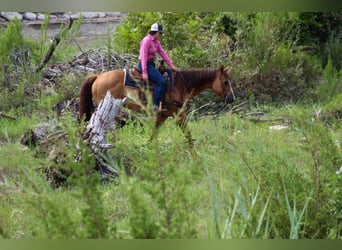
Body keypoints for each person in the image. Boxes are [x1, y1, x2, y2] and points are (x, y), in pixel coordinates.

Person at [137, 23, 177, 111]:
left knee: (168, 75)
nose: (161, 35)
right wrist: (144, 72)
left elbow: (163, 53)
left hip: (151, 64)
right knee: (161, 81)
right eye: (160, 33)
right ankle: (154, 104)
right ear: (156, 32)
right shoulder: (147, 40)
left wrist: (171, 65)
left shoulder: (156, 42)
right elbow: (143, 56)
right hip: (145, 65)